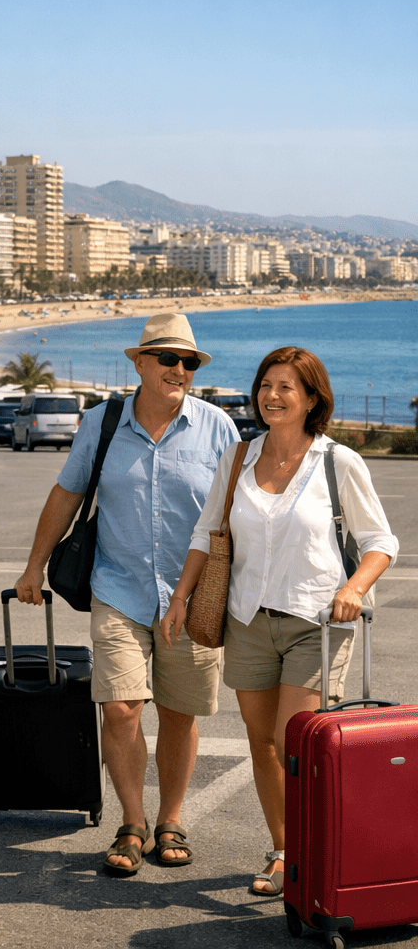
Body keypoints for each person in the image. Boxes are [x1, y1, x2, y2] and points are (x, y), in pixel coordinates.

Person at [164, 346, 396, 896]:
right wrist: (180, 598)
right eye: (266, 385)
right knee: (261, 743)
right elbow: (205, 534)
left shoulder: (338, 463)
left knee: (295, 742)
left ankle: (320, 852)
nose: (271, 395)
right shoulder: (239, 456)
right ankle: (285, 851)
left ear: (312, 397)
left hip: (315, 621)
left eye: (286, 387)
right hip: (246, 619)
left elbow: (380, 542)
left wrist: (353, 587)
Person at [15, 313, 239, 877]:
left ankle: (171, 820)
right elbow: (67, 493)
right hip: (118, 586)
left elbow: (237, 517)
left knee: (181, 713)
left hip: (193, 596)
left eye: (188, 362)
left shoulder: (218, 428)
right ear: (139, 363)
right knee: (119, 708)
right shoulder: (102, 421)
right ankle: (132, 823)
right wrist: (33, 567)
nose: (178, 370)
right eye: (167, 359)